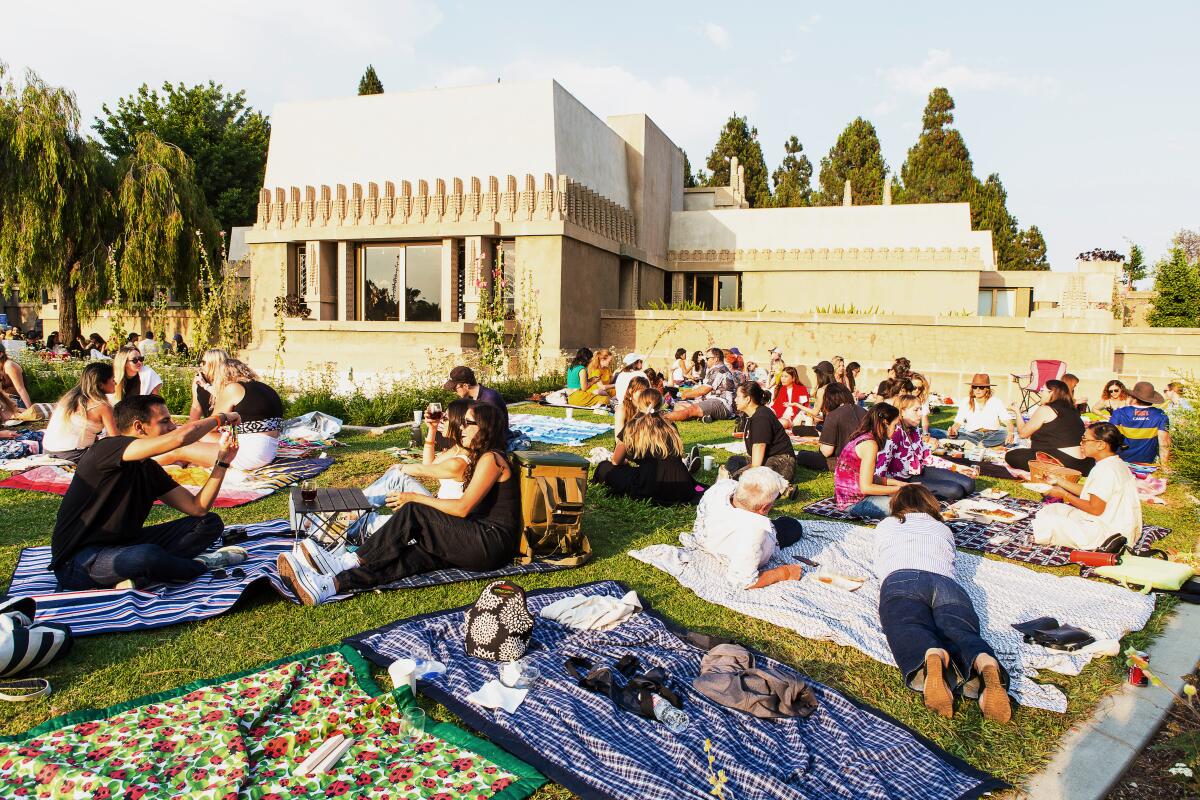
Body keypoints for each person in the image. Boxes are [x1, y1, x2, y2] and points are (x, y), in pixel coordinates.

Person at [278, 403, 520, 604]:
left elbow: (462, 508)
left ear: (486, 427)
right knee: (409, 558)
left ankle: (345, 561)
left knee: (414, 510)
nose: (462, 427)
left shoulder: (491, 458)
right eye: (463, 421)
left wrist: (414, 498)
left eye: (469, 423)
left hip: (489, 542)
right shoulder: (479, 457)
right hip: (478, 543)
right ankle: (332, 584)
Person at [50, 395, 246, 590]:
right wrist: (223, 417)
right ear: (139, 427)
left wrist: (222, 462)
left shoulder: (148, 468)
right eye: (165, 421)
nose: (172, 426)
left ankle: (143, 576)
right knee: (146, 556)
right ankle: (200, 565)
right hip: (78, 561)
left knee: (208, 523)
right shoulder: (106, 449)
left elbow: (198, 508)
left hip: (125, 545)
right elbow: (181, 437)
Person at [875, 484, 1011, 722]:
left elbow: (880, 560)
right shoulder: (943, 529)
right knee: (960, 630)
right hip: (946, 583)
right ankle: (984, 660)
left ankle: (930, 654)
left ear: (896, 505)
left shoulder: (886, 525)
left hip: (902, 578)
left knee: (907, 624)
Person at [688, 467, 806, 589]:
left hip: (706, 539)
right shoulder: (755, 531)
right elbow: (742, 580)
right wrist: (784, 573)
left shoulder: (722, 486)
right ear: (765, 508)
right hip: (731, 552)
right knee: (792, 525)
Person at [1031, 423, 1142, 551]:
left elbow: (1095, 509)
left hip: (1108, 535)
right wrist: (1059, 481)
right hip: (1115, 526)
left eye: (1084, 440)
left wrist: (1064, 495)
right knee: (1051, 510)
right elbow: (1092, 492)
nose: (1081, 444)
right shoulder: (1115, 463)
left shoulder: (1105, 470)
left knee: (1047, 522)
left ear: (1100, 444)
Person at [171, 349, 284, 470]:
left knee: (184, 445)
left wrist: (185, 432)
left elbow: (212, 424)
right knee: (198, 438)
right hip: (268, 452)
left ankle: (151, 462)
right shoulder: (266, 388)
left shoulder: (234, 388)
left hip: (248, 453)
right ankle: (188, 461)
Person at [593, 389, 704, 505]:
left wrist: (625, 462)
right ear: (660, 404)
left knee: (604, 467)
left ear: (639, 403)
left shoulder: (633, 426)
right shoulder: (670, 425)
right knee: (646, 470)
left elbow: (616, 461)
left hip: (651, 485)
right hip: (682, 486)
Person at [884, 394, 977, 502]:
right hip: (903, 481)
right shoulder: (893, 433)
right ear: (902, 412)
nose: (920, 414)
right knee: (956, 491)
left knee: (969, 484)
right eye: (916, 410)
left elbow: (927, 457)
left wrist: (957, 467)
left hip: (920, 471)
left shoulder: (914, 431)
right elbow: (880, 466)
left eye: (920, 409)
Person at [834, 402, 906, 519]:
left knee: (910, 502)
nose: (897, 429)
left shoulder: (865, 437)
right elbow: (866, 487)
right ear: (885, 423)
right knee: (911, 509)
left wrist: (898, 483)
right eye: (895, 425)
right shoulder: (870, 445)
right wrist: (900, 490)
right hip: (853, 503)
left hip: (849, 498)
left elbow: (864, 477)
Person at [1005, 380, 1093, 474]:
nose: (1040, 392)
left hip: (1064, 461)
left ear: (1052, 392)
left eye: (1043, 390)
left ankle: (1056, 471)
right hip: (1084, 464)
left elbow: (1023, 433)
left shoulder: (1046, 409)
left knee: (1012, 456)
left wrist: (1017, 412)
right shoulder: (1073, 410)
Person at [42, 362, 119, 462]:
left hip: (48, 449)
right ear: (100, 384)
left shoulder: (70, 397)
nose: (116, 383)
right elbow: (116, 438)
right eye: (113, 380)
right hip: (72, 454)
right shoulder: (101, 406)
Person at [725, 382, 796, 483]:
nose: (735, 399)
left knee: (741, 479)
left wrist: (748, 472)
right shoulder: (750, 415)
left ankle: (784, 489)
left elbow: (759, 446)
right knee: (734, 461)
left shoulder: (761, 417)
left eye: (738, 396)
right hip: (767, 458)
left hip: (782, 461)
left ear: (748, 399)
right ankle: (726, 479)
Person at [795, 383, 865, 472]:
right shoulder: (864, 411)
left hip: (846, 461)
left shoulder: (833, 415)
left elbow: (826, 451)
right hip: (866, 459)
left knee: (803, 456)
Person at [935, 374, 1013, 447]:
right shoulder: (966, 401)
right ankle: (988, 447)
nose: (977, 390)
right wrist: (953, 430)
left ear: (987, 389)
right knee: (950, 434)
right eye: (975, 387)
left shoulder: (996, 401)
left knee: (1006, 434)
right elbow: (958, 422)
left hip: (992, 435)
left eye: (981, 387)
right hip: (972, 435)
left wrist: (1010, 432)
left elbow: (1008, 421)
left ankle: (977, 446)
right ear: (972, 388)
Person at [665, 347, 735, 423]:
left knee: (691, 409)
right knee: (678, 405)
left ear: (715, 359)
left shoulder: (719, 370)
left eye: (707, 358)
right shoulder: (715, 369)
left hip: (721, 403)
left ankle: (660, 417)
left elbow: (703, 390)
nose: (705, 360)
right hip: (710, 400)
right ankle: (704, 416)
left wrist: (684, 395)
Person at [1109, 381, 1170, 466]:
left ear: (1134, 397)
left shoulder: (1119, 413)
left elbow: (1110, 438)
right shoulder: (1160, 415)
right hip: (1147, 463)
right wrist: (1165, 466)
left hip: (1121, 460)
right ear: (1151, 399)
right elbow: (1164, 444)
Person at [444, 365, 510, 438]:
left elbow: (490, 430)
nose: (454, 392)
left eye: (454, 388)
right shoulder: (469, 397)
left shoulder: (489, 399)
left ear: (466, 386)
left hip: (493, 439)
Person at [613, 352, 648, 434]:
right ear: (637, 362)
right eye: (641, 362)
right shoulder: (641, 375)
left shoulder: (621, 374)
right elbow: (648, 393)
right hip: (634, 403)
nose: (641, 364)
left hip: (622, 402)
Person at [770, 366, 810, 431]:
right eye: (782, 376)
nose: (782, 379)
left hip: (792, 417)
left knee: (782, 423)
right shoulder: (779, 389)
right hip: (779, 415)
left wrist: (791, 405)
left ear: (793, 378)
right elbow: (775, 406)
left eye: (786, 376)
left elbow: (803, 406)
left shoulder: (801, 389)